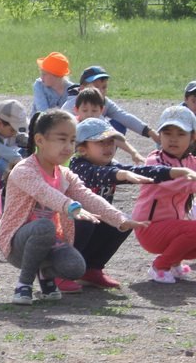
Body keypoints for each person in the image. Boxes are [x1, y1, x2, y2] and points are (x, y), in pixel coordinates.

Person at [0, 110, 141, 305]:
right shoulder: (24, 170)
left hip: (49, 241)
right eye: (62, 139)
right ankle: (24, 284)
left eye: (72, 140)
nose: (68, 146)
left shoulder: (65, 174)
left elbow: (87, 196)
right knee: (44, 226)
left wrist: (120, 219)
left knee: (76, 268)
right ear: (40, 140)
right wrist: (72, 207)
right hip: (17, 245)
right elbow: (45, 193)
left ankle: (46, 275)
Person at [69, 117, 188, 290]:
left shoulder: (111, 165)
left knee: (122, 222)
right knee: (86, 222)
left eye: (111, 142)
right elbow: (99, 174)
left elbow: (139, 170)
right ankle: (62, 273)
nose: (108, 147)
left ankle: (91, 269)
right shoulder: (77, 166)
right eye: (101, 142)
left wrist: (175, 172)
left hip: (93, 221)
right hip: (66, 226)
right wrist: (122, 175)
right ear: (82, 149)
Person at [132, 106, 196, 284]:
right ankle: (160, 266)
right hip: (149, 227)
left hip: (171, 228)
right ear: (160, 136)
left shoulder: (191, 161)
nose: (173, 139)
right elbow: (179, 182)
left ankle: (174, 262)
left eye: (181, 134)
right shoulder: (154, 161)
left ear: (193, 137)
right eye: (167, 133)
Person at [63, 65, 160, 145]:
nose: (101, 91)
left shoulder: (104, 101)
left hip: (93, 142)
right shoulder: (72, 104)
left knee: (119, 124)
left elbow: (123, 116)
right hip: (74, 144)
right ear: (82, 88)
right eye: (96, 87)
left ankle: (104, 154)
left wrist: (150, 132)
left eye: (104, 87)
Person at [73, 87, 145, 164]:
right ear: (76, 110)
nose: (90, 114)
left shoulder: (102, 124)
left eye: (94, 110)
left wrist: (133, 152)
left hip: (98, 158)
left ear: (101, 110)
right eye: (85, 110)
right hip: (78, 160)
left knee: (116, 164)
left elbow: (116, 139)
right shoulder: (73, 125)